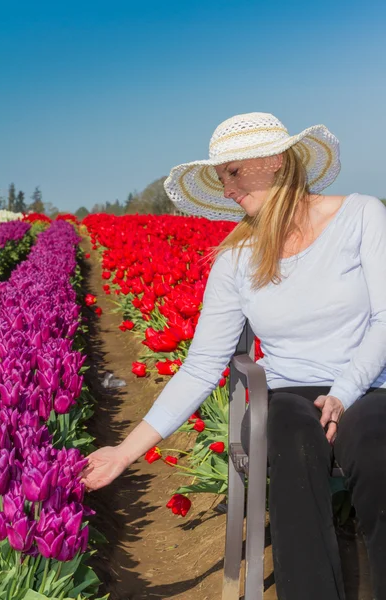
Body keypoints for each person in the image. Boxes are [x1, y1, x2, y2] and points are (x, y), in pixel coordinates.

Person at [81, 112, 386, 600]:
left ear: (276, 162)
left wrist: (345, 393)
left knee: (376, 446)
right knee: (288, 439)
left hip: (367, 384)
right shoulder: (236, 258)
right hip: (285, 391)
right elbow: (202, 364)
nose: (227, 189)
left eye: (233, 173)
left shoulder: (362, 214)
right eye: (222, 178)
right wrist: (123, 452)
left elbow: (384, 320)